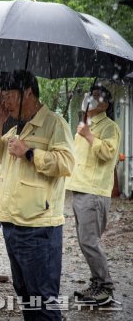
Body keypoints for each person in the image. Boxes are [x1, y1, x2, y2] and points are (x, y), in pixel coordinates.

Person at [0, 70, 74, 320]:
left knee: (42, 299)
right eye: (2, 97)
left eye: (9, 96)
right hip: (13, 224)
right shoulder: (15, 129)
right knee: (26, 295)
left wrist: (29, 153)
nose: (5, 102)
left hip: (39, 227)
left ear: (28, 93)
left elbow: (66, 163)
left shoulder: (54, 124)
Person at [65, 84, 121, 305]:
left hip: (94, 192)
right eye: (89, 95)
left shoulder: (110, 127)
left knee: (89, 240)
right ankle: (97, 283)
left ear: (105, 104)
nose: (89, 98)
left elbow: (108, 154)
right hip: (80, 190)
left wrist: (89, 135)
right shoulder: (84, 126)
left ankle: (105, 287)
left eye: (96, 96)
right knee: (83, 240)